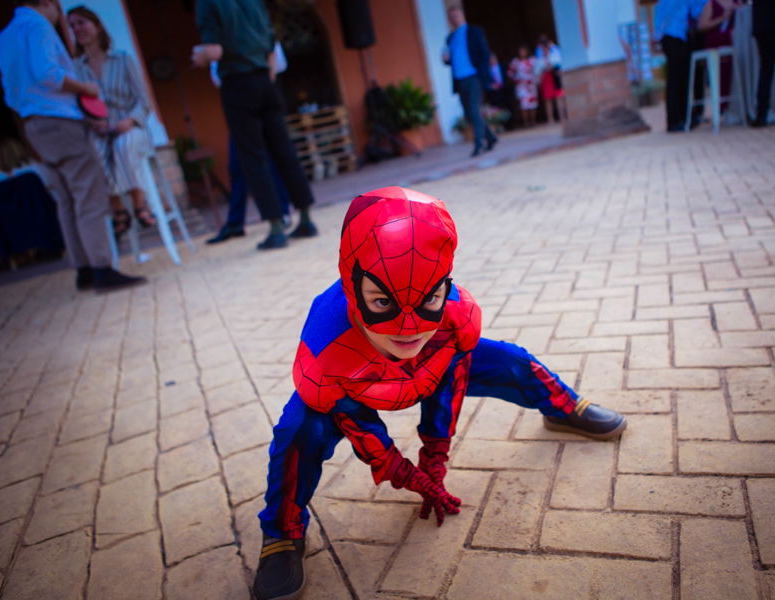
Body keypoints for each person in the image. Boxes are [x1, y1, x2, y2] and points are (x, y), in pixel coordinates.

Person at [252, 186, 628, 600]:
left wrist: (435, 459)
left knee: (508, 361)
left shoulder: (455, 316)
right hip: (356, 388)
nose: (409, 327)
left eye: (430, 296)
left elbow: (451, 382)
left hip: (424, 370)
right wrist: (407, 474)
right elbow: (356, 422)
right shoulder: (325, 349)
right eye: (382, 302)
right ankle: (282, 534)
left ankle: (562, 406)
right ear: (352, 285)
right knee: (299, 429)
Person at [0, 0, 146, 292]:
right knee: (88, 196)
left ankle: (84, 270)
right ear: (47, 2)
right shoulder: (37, 25)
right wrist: (86, 89)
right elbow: (48, 74)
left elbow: (10, 91)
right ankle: (103, 268)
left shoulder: (5, 36)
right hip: (60, 122)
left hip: (33, 124)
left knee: (65, 200)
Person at [193, 0, 317, 250]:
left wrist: (200, 55)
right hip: (265, 80)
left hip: (238, 83)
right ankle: (305, 218)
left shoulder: (208, 3)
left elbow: (215, 51)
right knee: (284, 150)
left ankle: (275, 227)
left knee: (253, 157)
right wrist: (267, 79)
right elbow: (271, 45)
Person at [68, 6, 156, 239]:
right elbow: (76, 106)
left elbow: (144, 101)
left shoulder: (123, 60)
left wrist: (129, 121)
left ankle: (138, 204)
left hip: (131, 128)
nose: (77, 28)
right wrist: (91, 121)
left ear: (97, 25)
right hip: (100, 132)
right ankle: (118, 208)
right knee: (94, 154)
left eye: (81, 23)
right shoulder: (75, 69)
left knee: (123, 146)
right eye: (72, 25)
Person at [206, 43, 293, 245]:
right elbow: (216, 77)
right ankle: (236, 222)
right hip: (239, 103)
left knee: (267, 160)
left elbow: (278, 62)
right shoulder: (220, 36)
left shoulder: (256, 28)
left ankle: (281, 213)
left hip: (258, 99)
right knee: (237, 164)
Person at [442, 6, 498, 157]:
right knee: (468, 114)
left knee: (474, 110)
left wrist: (485, 76)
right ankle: (491, 137)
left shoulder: (474, 31)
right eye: (452, 17)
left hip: (474, 77)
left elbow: (484, 54)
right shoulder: (450, 38)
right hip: (460, 81)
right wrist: (446, 60)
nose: (455, 19)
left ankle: (479, 144)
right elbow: (450, 60)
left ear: (462, 15)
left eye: (457, 16)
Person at [654, 0, 709, 132]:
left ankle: (683, 118)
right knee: (677, 79)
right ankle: (675, 120)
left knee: (681, 78)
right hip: (675, 36)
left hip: (671, 36)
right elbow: (698, 10)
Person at [698, 0, 742, 110]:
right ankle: (724, 106)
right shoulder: (711, 3)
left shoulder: (737, 2)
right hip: (717, 44)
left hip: (737, 44)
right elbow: (702, 26)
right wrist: (723, 17)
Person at [535, 34, 565, 122]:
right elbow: (537, 71)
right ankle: (550, 119)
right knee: (548, 100)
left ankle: (562, 117)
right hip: (546, 79)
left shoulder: (555, 54)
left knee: (559, 98)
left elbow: (559, 64)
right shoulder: (540, 58)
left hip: (555, 78)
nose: (545, 50)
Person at [508, 45, 539, 127]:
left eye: (524, 51)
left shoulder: (532, 60)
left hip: (531, 86)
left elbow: (537, 70)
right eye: (521, 51)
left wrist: (535, 79)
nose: (523, 53)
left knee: (533, 104)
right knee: (524, 105)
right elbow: (509, 73)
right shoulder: (516, 62)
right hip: (522, 87)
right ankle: (526, 122)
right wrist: (517, 79)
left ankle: (533, 121)